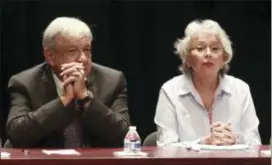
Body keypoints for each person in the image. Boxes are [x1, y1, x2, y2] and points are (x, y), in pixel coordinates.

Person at [5, 17, 130, 148]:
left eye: (86, 49)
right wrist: (63, 101)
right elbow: (17, 135)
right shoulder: (25, 83)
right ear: (50, 56)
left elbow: (124, 136)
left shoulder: (112, 80)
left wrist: (86, 99)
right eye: (72, 51)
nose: (83, 58)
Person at [154, 19, 261, 146]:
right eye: (200, 48)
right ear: (186, 59)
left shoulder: (241, 89)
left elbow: (255, 143)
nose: (208, 54)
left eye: (215, 49)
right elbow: (165, 147)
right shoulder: (170, 90)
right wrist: (203, 142)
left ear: (224, 58)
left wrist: (235, 141)